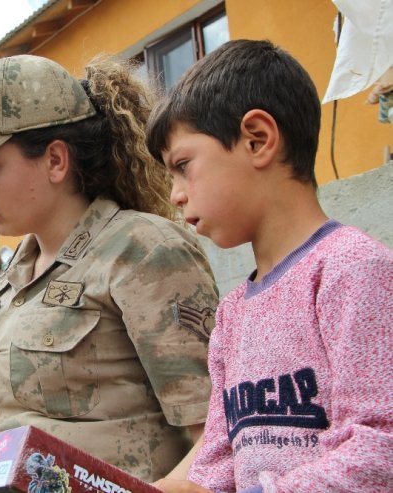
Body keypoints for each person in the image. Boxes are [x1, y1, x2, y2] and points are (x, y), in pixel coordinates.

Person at [0, 54, 219, 481]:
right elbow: (10, 408)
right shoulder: (14, 273)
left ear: (56, 161)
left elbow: (217, 432)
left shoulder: (141, 250)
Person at [146, 39, 393, 493]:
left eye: (183, 166)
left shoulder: (354, 270)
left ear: (257, 139)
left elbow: (381, 447)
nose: (176, 194)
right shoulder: (232, 314)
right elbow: (220, 462)